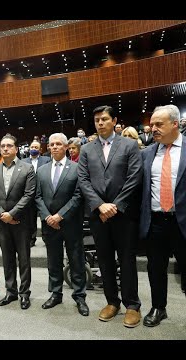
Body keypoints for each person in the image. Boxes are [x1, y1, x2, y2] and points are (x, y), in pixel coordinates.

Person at [77, 105, 143, 328]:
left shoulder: (129, 145)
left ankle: (132, 305)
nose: (100, 123)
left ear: (114, 120)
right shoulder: (86, 149)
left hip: (123, 214)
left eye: (104, 119)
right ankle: (112, 302)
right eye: (97, 120)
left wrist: (115, 205)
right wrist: (99, 206)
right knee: (104, 260)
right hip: (98, 216)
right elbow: (83, 181)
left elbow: (135, 177)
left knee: (126, 261)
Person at [139, 105, 186, 327]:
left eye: (159, 124)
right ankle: (159, 307)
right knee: (156, 269)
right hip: (156, 221)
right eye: (152, 124)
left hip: (183, 221)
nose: (153, 128)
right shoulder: (147, 153)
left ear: (175, 124)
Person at [35, 134, 89, 316]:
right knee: (53, 261)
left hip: (70, 223)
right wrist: (48, 217)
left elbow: (78, 196)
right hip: (49, 224)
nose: (55, 147)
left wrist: (60, 216)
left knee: (76, 260)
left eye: (59, 144)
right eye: (52, 144)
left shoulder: (76, 168)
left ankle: (80, 296)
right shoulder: (41, 170)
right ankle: (56, 293)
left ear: (66, 147)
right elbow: (37, 197)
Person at [0, 133, 36, 310]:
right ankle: (11, 292)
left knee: (24, 259)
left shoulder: (27, 168)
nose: (5, 148)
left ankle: (24, 294)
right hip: (2, 222)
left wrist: (13, 214)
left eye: (9, 145)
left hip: (21, 222)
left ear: (16, 148)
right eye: (2, 146)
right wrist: (1, 214)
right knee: (7, 259)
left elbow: (29, 194)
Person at [23, 139, 51, 247]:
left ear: (40, 149)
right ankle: (31, 238)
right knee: (31, 217)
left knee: (44, 215)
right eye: (32, 147)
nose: (33, 149)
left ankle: (46, 237)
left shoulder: (47, 160)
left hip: (43, 193)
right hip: (29, 193)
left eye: (36, 147)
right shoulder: (24, 162)